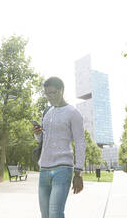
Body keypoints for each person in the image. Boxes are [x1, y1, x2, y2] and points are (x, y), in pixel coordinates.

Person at [33, 76, 86, 218]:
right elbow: (44, 139)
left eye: (53, 93)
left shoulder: (73, 113)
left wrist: (78, 172)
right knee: (45, 215)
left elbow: (80, 142)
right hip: (44, 169)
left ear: (62, 90)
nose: (50, 97)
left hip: (63, 169)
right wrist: (37, 134)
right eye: (47, 94)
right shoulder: (47, 113)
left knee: (55, 214)